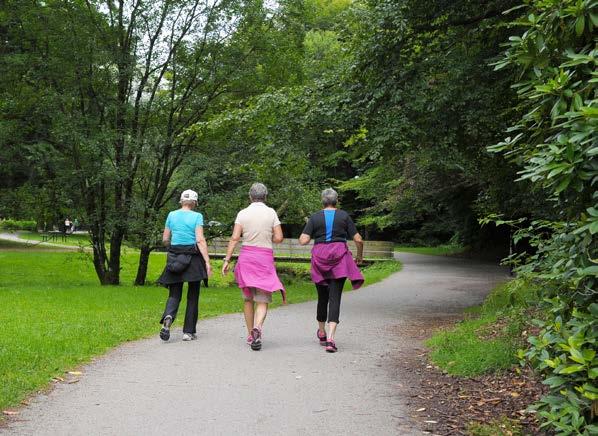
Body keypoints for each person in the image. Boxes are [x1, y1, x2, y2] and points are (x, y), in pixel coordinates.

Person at [299, 188, 364, 353]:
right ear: (337, 200)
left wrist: (309, 233)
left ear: (322, 200)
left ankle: (321, 332)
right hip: (339, 260)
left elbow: (303, 240)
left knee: (322, 297)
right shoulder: (344, 216)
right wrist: (359, 256)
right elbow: (358, 239)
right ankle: (330, 339)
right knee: (335, 298)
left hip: (319, 259)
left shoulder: (315, 217)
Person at [222, 183, 285, 351]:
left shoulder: (242, 213)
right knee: (263, 299)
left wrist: (227, 260)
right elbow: (279, 237)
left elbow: (235, 238)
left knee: (248, 298)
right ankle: (258, 327)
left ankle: (251, 334)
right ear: (266, 196)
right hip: (264, 258)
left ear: (250, 196)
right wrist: (267, 237)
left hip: (247, 258)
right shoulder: (271, 213)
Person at [157, 189, 212, 342]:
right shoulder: (197, 216)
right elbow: (200, 240)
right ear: (195, 202)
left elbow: (165, 238)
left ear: (181, 201)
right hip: (193, 257)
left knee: (174, 293)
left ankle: (168, 317)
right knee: (193, 295)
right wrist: (207, 261)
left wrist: (173, 248)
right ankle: (188, 332)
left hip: (174, 256)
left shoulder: (171, 215)